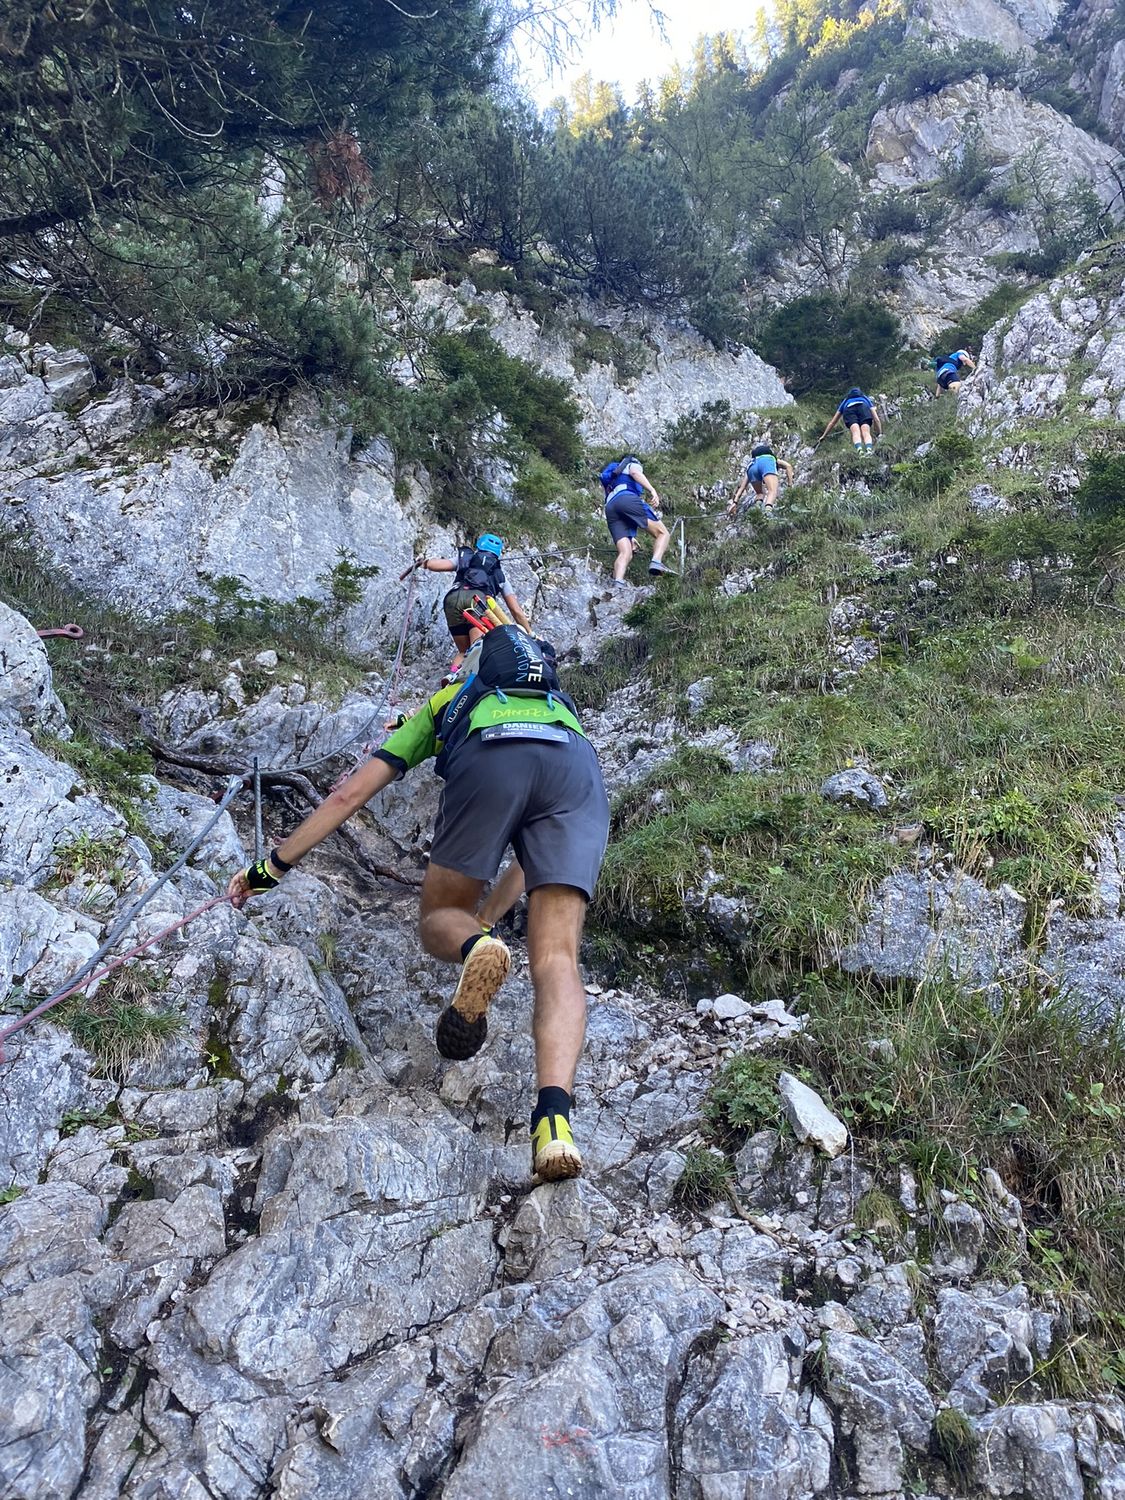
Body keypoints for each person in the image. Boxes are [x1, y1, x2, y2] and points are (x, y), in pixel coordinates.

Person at [227, 623, 610, 1184]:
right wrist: (489, 918)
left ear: (473, 668)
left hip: (491, 755)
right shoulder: (561, 710)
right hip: (576, 769)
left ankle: (474, 945)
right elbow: (532, 863)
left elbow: (349, 794)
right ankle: (554, 1124)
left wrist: (271, 868)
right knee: (557, 960)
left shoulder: (449, 700)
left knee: (437, 920)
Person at [415, 534, 531, 667]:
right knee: (477, 649)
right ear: (498, 553)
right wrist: (530, 633)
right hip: (478, 601)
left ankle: (451, 676)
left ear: (479, 546)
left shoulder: (465, 559)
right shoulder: (501, 576)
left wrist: (423, 563)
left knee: (463, 651)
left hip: (452, 599)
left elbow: (436, 565)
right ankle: (470, 677)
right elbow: (516, 611)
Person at [599, 454, 674, 586]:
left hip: (610, 508)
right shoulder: (631, 463)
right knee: (663, 533)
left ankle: (618, 583)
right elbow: (635, 473)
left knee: (625, 551)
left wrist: (631, 536)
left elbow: (620, 509)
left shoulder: (613, 476)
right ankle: (656, 562)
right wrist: (652, 490)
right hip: (627, 498)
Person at [726, 443, 795, 519]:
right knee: (772, 491)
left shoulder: (752, 464)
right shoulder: (772, 459)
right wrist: (790, 485)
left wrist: (735, 502)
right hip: (766, 462)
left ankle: (757, 512)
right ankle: (767, 514)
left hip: (752, 467)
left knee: (760, 493)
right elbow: (788, 466)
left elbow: (742, 487)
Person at [817, 388, 883, 453]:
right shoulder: (865, 398)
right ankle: (869, 450)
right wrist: (880, 433)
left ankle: (860, 450)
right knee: (866, 432)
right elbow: (876, 419)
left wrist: (823, 436)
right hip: (863, 407)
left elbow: (833, 422)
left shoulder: (846, 400)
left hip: (849, 408)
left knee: (855, 432)